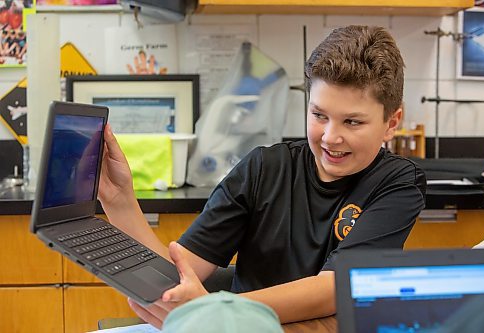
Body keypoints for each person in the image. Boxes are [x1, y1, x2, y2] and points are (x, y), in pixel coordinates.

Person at [98, 25, 426, 329]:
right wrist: (120, 200)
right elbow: (177, 277)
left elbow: (334, 288)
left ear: (392, 122)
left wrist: (218, 311)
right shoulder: (263, 169)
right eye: (319, 115)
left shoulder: (397, 183)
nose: (329, 137)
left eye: (352, 122)